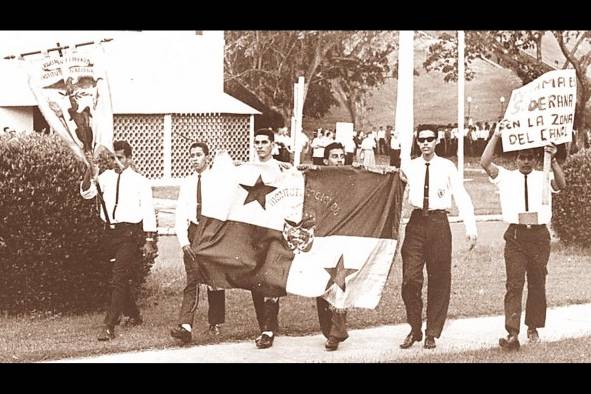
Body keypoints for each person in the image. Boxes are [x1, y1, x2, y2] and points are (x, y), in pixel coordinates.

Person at [480, 124, 566, 351]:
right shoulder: (506, 177)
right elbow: (485, 163)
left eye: (529, 158)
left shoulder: (543, 175)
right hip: (516, 235)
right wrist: (497, 135)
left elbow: (562, 184)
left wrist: (554, 159)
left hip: (538, 235)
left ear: (536, 160)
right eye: (521, 157)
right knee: (514, 283)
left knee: (537, 282)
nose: (526, 162)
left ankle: (533, 326)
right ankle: (512, 333)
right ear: (515, 159)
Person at [399, 129, 477, 350]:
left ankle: (432, 332)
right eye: (421, 140)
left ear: (437, 141)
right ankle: (415, 328)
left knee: (439, 279)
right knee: (410, 279)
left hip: (439, 223)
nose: (425, 144)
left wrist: (470, 227)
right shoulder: (410, 166)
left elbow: (461, 195)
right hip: (416, 223)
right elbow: (393, 189)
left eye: (429, 140)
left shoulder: (447, 166)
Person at [81, 140, 157, 341]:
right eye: (113, 157)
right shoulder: (105, 177)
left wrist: (149, 240)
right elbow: (87, 192)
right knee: (117, 278)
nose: (116, 162)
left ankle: (109, 326)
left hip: (129, 235)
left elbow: (148, 211)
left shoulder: (140, 181)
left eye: (120, 158)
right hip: (109, 234)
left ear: (130, 159)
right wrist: (90, 169)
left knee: (118, 277)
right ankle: (134, 314)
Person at [170, 141, 226, 345]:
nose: (194, 158)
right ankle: (185, 326)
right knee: (192, 279)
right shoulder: (187, 182)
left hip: (212, 231)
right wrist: (184, 241)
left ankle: (216, 321)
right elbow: (181, 213)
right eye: (191, 155)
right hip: (194, 231)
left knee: (214, 280)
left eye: (198, 155)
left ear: (207, 157)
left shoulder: (218, 180)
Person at [251, 128, 290, 349]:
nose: (260, 146)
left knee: (271, 279)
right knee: (255, 279)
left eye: (264, 142)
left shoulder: (281, 171)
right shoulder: (248, 170)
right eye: (256, 142)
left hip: (274, 231)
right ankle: (266, 325)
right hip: (254, 231)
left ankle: (267, 329)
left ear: (272, 145)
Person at [316, 142, 350, 351]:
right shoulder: (318, 180)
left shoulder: (353, 179)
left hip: (346, 238)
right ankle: (328, 330)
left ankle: (337, 331)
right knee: (320, 284)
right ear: (326, 160)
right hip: (323, 238)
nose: (338, 160)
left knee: (340, 283)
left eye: (341, 156)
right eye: (334, 156)